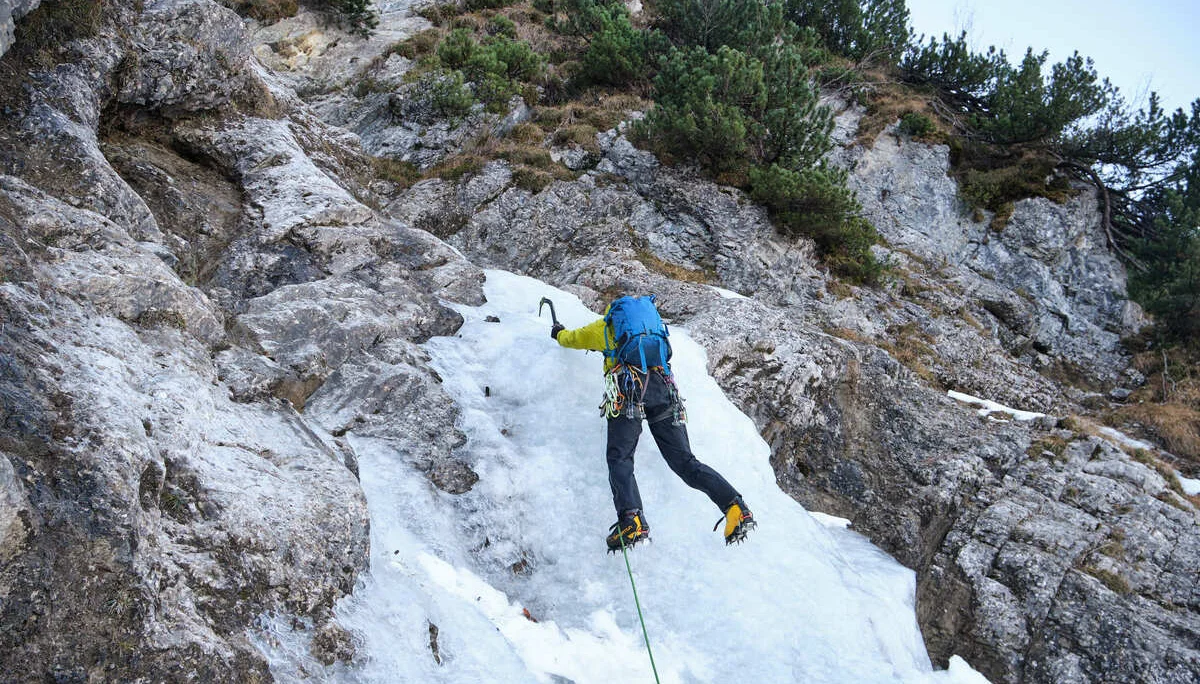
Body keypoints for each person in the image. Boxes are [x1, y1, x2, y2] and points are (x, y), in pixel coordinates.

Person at [551, 294, 755, 552]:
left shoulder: (604, 328)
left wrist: (558, 333)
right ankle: (735, 507)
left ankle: (631, 520)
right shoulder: (655, 330)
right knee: (686, 463)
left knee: (621, 458)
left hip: (628, 392)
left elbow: (573, 339)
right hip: (664, 391)